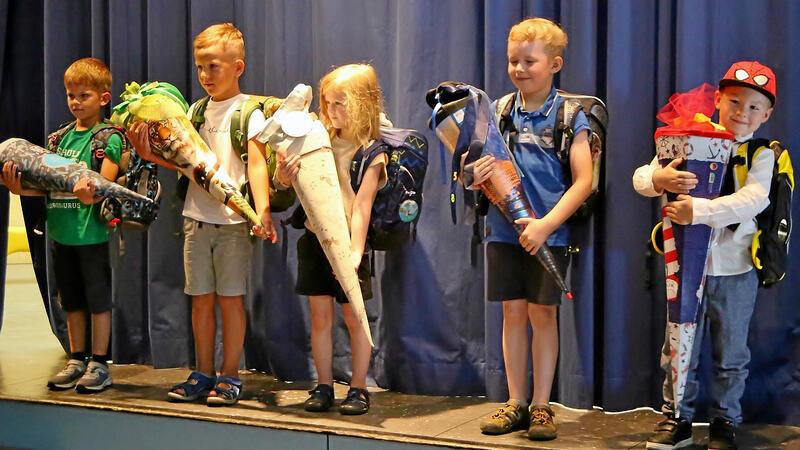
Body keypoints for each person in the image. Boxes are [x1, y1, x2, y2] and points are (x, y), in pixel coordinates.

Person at [128, 23, 275, 406]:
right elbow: (185, 164)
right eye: (200, 68)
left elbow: (257, 165)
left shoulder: (249, 112)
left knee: (230, 300)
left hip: (232, 225)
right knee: (200, 300)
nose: (205, 76)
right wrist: (149, 155)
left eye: (213, 66)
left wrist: (262, 211)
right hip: (195, 219)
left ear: (238, 67)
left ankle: (230, 375)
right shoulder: (192, 112)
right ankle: (203, 372)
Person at [634, 61, 777, 450]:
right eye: (733, 102)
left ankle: (725, 420)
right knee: (679, 346)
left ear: (766, 115)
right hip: (684, 266)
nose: (741, 113)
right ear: (717, 100)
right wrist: (659, 179)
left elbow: (753, 200)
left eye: (752, 107)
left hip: (735, 269)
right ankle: (676, 417)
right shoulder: (690, 138)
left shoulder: (764, 155)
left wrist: (698, 211)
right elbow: (642, 178)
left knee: (731, 351)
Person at [475, 17, 593, 441]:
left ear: (555, 63)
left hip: (550, 234)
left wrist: (545, 226)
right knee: (512, 312)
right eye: (512, 61)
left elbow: (584, 181)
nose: (519, 69)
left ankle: (542, 406)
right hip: (503, 233)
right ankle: (516, 401)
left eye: (529, 60)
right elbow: (476, 171)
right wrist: (474, 175)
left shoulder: (570, 115)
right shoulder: (498, 111)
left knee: (543, 315)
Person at [1, 57, 123, 393]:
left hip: (91, 234)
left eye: (83, 95)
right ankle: (77, 357)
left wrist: (92, 193)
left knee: (97, 300)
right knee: (71, 299)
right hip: (61, 232)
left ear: (103, 98)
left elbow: (103, 185)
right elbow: (43, 185)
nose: (75, 102)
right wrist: (17, 188)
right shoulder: (58, 140)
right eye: (70, 95)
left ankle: (100, 363)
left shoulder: (108, 137)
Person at [275, 63, 388, 415]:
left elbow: (362, 207)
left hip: (348, 245)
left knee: (355, 317)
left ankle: (357, 387)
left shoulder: (372, 151)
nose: (331, 111)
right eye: (327, 103)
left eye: (340, 103)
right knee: (320, 317)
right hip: (313, 240)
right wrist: (282, 175)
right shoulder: (314, 137)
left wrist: (354, 252)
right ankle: (323, 385)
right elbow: (287, 184)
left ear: (363, 103)